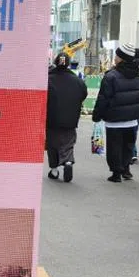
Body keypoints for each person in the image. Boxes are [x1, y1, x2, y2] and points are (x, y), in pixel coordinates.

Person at [92, 43, 139, 183]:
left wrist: (97, 114)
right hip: (132, 118)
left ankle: (116, 173)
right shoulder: (137, 74)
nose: (115, 58)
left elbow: (103, 98)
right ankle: (126, 169)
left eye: (117, 56)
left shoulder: (111, 76)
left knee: (114, 146)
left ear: (121, 58)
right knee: (128, 145)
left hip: (114, 119)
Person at [46, 50, 89, 182]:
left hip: (52, 119)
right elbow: (83, 94)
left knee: (52, 144)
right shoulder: (77, 81)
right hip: (71, 119)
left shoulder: (48, 79)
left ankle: (54, 170)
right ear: (69, 64)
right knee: (68, 143)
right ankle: (68, 161)